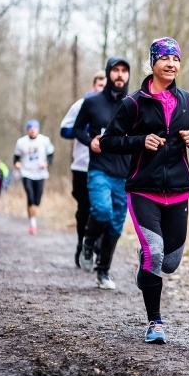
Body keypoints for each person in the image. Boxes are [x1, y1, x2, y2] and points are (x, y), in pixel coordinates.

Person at [100, 37, 189, 343]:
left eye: (176, 59)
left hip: (178, 190)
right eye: (165, 59)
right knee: (155, 254)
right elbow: (108, 141)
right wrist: (139, 140)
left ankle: (146, 263)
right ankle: (155, 323)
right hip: (143, 188)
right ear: (153, 63)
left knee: (169, 262)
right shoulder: (133, 103)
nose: (171, 64)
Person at [73, 59, 131, 289]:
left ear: (128, 75)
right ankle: (88, 242)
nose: (119, 75)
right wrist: (89, 141)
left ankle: (103, 271)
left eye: (124, 71)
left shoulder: (134, 103)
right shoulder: (92, 102)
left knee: (116, 225)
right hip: (99, 169)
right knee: (102, 210)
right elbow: (77, 128)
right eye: (115, 71)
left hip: (125, 173)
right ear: (108, 74)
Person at [60, 70, 107, 267]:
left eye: (105, 85)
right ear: (93, 86)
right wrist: (87, 128)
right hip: (81, 165)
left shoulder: (117, 106)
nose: (102, 89)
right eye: (99, 85)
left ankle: (96, 245)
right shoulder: (81, 105)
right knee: (85, 209)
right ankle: (82, 242)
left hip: (106, 166)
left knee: (103, 208)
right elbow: (64, 130)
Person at [13, 119, 55, 234]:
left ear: (38, 129)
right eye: (30, 128)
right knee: (30, 197)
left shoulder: (44, 140)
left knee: (37, 200)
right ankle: (33, 224)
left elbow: (51, 155)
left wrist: (46, 163)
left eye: (34, 128)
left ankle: (33, 216)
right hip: (26, 172)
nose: (32, 130)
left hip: (40, 173)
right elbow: (16, 157)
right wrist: (17, 163)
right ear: (27, 130)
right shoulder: (21, 142)